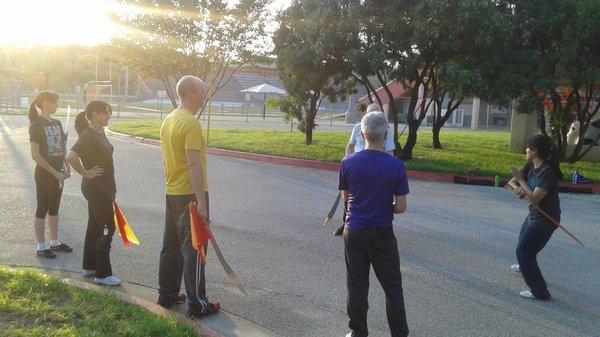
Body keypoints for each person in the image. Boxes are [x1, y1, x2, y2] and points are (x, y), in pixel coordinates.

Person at [339, 112, 410, 337]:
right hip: (381, 233)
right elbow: (400, 207)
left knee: (357, 285)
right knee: (392, 287)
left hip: (354, 231)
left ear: (362, 134)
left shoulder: (348, 163)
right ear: (386, 135)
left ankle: (357, 332)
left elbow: (346, 198)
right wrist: (384, 205)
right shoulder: (396, 166)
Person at [157, 75, 220, 318]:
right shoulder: (190, 124)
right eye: (203, 91)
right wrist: (201, 202)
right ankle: (198, 304)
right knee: (194, 249)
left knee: (170, 246)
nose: (205, 96)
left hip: (172, 191)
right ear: (191, 93)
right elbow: (194, 166)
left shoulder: (169, 119)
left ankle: (167, 294)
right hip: (190, 195)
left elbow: (166, 159)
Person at [67, 101, 120, 286]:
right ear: (95, 114)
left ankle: (89, 267)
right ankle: (102, 274)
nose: (109, 115)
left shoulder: (99, 132)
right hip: (97, 188)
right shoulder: (88, 135)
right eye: (106, 113)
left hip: (102, 187)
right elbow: (71, 156)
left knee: (95, 226)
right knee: (108, 226)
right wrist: (85, 173)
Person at [509, 134, 562, 300]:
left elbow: (535, 198)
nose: (525, 150)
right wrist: (517, 189)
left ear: (535, 151)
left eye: (528, 148)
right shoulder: (530, 166)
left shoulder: (547, 172)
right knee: (524, 243)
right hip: (534, 215)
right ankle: (526, 267)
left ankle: (540, 292)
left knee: (524, 252)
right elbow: (512, 182)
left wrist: (521, 183)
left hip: (547, 219)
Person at [334, 103, 395, 236]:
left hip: (375, 168)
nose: (374, 116)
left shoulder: (386, 131)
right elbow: (350, 146)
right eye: (371, 114)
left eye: (378, 114)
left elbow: (390, 151)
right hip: (355, 168)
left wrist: (389, 169)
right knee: (349, 197)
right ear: (365, 116)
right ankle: (347, 224)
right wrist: (346, 162)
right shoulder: (357, 128)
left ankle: (376, 226)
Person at [28, 91, 73, 259]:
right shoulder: (36, 125)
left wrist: (67, 167)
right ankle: (41, 246)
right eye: (55, 102)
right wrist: (54, 172)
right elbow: (35, 155)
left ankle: (55, 242)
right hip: (44, 174)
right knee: (43, 208)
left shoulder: (58, 123)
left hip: (58, 174)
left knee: (54, 208)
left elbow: (62, 148)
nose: (57, 106)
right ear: (46, 102)